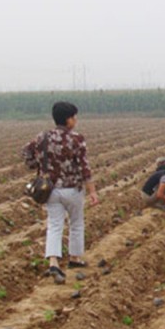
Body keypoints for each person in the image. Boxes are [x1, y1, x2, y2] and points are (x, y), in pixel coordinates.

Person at [22, 101, 99, 283]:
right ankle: (74, 259)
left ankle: (54, 263)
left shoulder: (42, 137)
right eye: (74, 116)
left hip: (50, 190)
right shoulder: (77, 139)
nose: (76, 120)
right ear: (68, 119)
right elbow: (84, 168)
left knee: (55, 225)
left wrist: (38, 166)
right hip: (72, 189)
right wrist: (92, 191)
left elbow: (26, 153)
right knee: (76, 223)